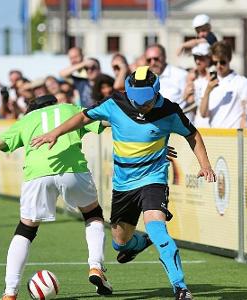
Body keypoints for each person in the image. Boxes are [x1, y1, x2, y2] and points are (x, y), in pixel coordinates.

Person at [31, 66, 217, 300]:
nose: (141, 106)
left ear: (156, 92)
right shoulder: (114, 103)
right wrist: (55, 133)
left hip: (153, 179)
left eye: (146, 102)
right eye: (137, 101)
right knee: (120, 243)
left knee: (158, 228)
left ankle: (180, 288)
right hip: (123, 185)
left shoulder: (170, 110)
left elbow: (192, 134)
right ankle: (139, 243)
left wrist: (205, 164)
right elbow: (82, 117)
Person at [0, 95, 113, 299]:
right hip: (73, 170)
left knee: (26, 229)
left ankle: (10, 292)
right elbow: (105, 120)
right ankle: (95, 266)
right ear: (53, 104)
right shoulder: (70, 108)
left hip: (36, 176)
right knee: (93, 214)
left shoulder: (25, 120)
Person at [199, 41, 247, 128]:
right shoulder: (208, 82)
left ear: (229, 59)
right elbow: (203, 114)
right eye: (215, 63)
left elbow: (246, 113)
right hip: (215, 135)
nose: (218, 66)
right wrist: (208, 91)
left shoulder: (242, 82)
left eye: (222, 62)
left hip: (234, 135)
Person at [145, 44, 189, 120]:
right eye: (149, 60)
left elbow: (191, 101)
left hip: (181, 128)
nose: (152, 63)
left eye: (156, 58)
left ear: (164, 57)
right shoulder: (145, 79)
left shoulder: (181, 75)